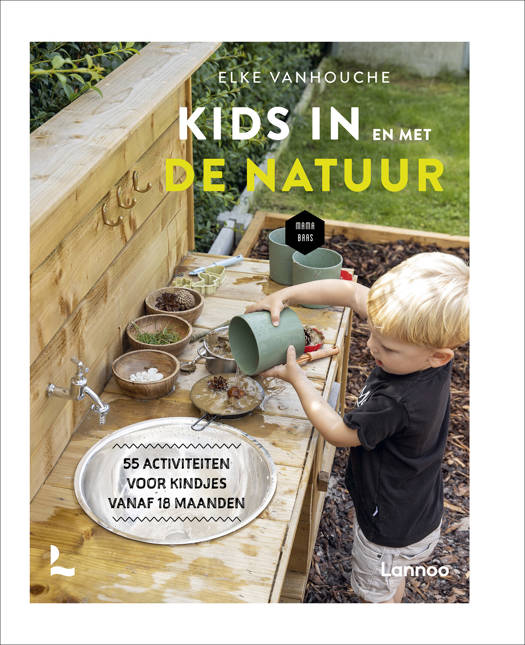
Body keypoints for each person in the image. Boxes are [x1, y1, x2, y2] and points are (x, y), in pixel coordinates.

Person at [246, 251, 469, 603]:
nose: (370, 345)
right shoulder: (416, 336)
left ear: (438, 356)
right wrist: (285, 296)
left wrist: (297, 378)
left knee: (374, 598)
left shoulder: (397, 402)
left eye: (387, 348)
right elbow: (350, 293)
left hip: (389, 529)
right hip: (416, 507)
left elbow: (338, 433)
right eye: (372, 332)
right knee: (392, 581)